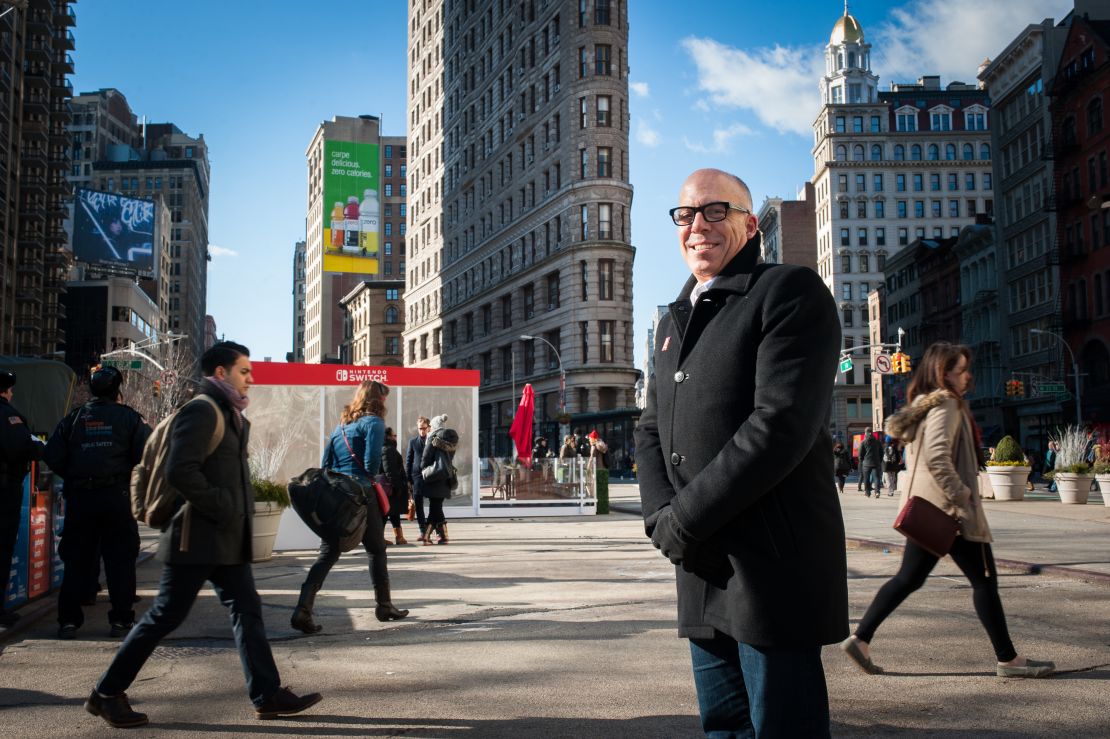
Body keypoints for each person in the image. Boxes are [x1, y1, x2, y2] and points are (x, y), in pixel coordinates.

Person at [636, 168, 846, 736]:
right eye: (685, 215)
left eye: (714, 211)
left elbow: (777, 426)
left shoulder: (788, 292)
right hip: (702, 567)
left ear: (750, 224)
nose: (697, 225)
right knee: (723, 728)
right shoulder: (674, 320)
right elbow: (650, 428)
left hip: (769, 569)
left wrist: (683, 519)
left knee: (783, 728)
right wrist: (660, 518)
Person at [86, 342, 322, 729]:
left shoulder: (229, 414)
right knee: (164, 616)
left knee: (247, 611)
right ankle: (106, 694)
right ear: (220, 374)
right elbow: (181, 471)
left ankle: (267, 695)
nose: (250, 378)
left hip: (223, 539)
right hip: (196, 538)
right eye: (243, 371)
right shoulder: (202, 410)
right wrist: (224, 505)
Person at [840, 342, 1055, 680]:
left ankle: (861, 639)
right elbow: (938, 458)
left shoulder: (927, 408)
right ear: (944, 373)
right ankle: (1009, 660)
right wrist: (964, 494)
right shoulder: (947, 406)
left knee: (909, 578)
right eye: (961, 370)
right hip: (952, 513)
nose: (967, 376)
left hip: (931, 510)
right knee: (984, 582)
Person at [291, 380, 408, 634]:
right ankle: (384, 605)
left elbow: (326, 463)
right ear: (378, 399)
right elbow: (371, 463)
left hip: (339, 498)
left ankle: (303, 609)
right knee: (376, 550)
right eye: (384, 398)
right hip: (363, 495)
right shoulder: (375, 423)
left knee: (327, 553)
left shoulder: (341, 426)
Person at [45, 367, 151, 639]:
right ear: (118, 390)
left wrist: (74, 474)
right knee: (121, 560)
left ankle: (68, 621)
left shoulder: (74, 418)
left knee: (77, 560)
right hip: (117, 497)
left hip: (81, 498)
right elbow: (148, 455)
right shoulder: (129, 419)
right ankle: (121, 620)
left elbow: (52, 455)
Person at [0, 370, 46, 628]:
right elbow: (25, 447)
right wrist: (39, 448)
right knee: (2, 547)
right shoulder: (9, 415)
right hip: (5, 489)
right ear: (5, 391)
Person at [420, 414, 459, 545]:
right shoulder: (450, 439)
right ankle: (442, 536)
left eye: (431, 426)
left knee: (435, 508)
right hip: (445, 477)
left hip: (434, 477)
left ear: (435, 426)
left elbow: (426, 457)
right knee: (436, 507)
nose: (430, 428)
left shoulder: (434, 438)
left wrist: (424, 469)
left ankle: (428, 536)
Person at [381, 426, 410, 545]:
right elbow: (389, 470)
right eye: (394, 435)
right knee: (386, 513)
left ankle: (399, 536)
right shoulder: (388, 449)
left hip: (389, 486)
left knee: (393, 512)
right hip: (390, 487)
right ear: (388, 437)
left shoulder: (388, 448)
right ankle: (379, 538)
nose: (395, 437)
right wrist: (396, 486)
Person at [405, 416, 431, 541]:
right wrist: (408, 479)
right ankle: (422, 531)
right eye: (420, 428)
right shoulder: (413, 442)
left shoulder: (432, 441)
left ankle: (432, 530)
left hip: (431, 476)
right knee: (419, 506)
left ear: (428, 428)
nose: (422, 431)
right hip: (416, 477)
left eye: (424, 428)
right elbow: (409, 460)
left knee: (434, 505)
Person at [860, 427, 884, 498]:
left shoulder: (863, 442)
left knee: (866, 478)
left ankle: (867, 492)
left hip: (866, 463)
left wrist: (862, 461)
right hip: (876, 463)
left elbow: (860, 454)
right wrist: (879, 461)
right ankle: (877, 492)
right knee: (876, 478)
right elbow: (881, 453)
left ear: (865, 433)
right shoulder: (877, 442)